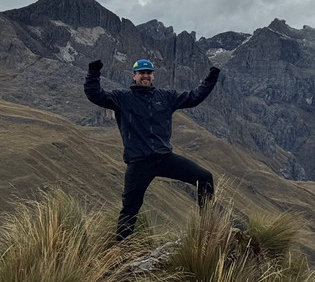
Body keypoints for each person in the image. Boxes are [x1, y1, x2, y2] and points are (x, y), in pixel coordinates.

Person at [84, 58, 221, 242]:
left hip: (165, 158)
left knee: (205, 178)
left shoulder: (166, 97)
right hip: (139, 162)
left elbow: (194, 97)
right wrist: (94, 72)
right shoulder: (122, 98)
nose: (145, 76)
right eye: (141, 73)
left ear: (153, 75)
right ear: (134, 76)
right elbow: (95, 95)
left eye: (148, 72)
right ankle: (119, 252)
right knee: (130, 210)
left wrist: (211, 78)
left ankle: (208, 230)